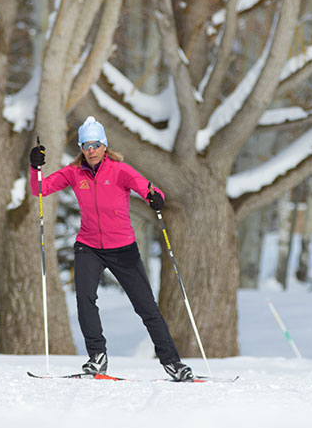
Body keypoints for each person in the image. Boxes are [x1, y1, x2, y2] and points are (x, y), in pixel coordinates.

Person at [28, 116, 194, 382]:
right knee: (85, 299)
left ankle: (172, 362)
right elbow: (40, 189)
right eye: (85, 145)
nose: (90, 150)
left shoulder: (120, 170)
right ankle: (97, 358)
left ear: (104, 145)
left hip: (122, 248)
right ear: (81, 148)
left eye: (95, 144)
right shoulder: (74, 173)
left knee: (147, 308)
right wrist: (34, 166)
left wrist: (155, 197)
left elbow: (149, 189)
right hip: (88, 246)